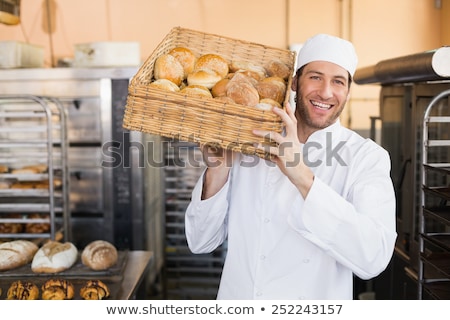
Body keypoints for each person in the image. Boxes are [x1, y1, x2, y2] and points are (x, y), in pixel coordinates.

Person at [184, 33, 397, 300]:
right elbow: (200, 241)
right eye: (315, 77)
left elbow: (373, 259)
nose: (326, 92)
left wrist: (303, 177)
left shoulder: (365, 157)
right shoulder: (250, 140)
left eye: (338, 81)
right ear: (295, 82)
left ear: (348, 91)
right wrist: (217, 169)